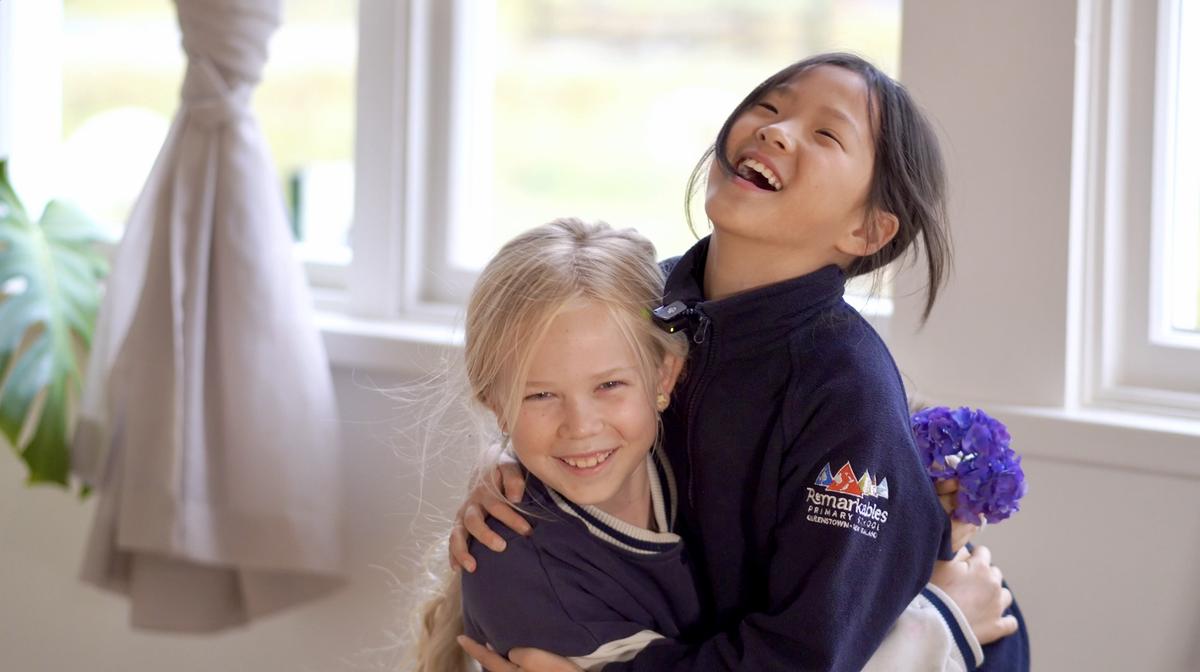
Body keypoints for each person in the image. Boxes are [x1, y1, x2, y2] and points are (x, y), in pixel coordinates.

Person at [449, 53, 1030, 671]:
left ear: (866, 231)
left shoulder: (846, 393)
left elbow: (804, 657)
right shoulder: (645, 304)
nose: (776, 131)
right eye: (769, 107)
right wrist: (512, 468)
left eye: (826, 134)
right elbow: (565, 397)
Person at [419, 218, 1014, 672]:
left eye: (608, 386)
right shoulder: (531, 583)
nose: (580, 425)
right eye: (540, 395)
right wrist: (941, 624)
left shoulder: (693, 441)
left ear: (665, 378)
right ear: (494, 402)